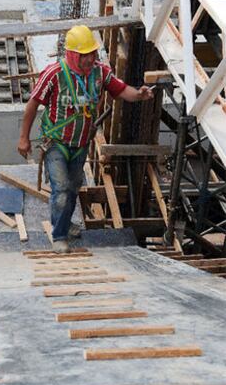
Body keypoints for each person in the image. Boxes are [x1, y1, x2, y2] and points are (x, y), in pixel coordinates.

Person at [17, 25, 154, 253]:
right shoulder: (54, 74)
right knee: (61, 189)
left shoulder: (100, 74)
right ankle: (59, 235)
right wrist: (24, 138)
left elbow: (120, 90)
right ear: (72, 54)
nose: (91, 58)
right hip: (57, 144)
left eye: (92, 53)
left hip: (80, 145)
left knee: (72, 188)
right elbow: (32, 104)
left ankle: (65, 223)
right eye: (85, 55)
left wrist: (138, 95)